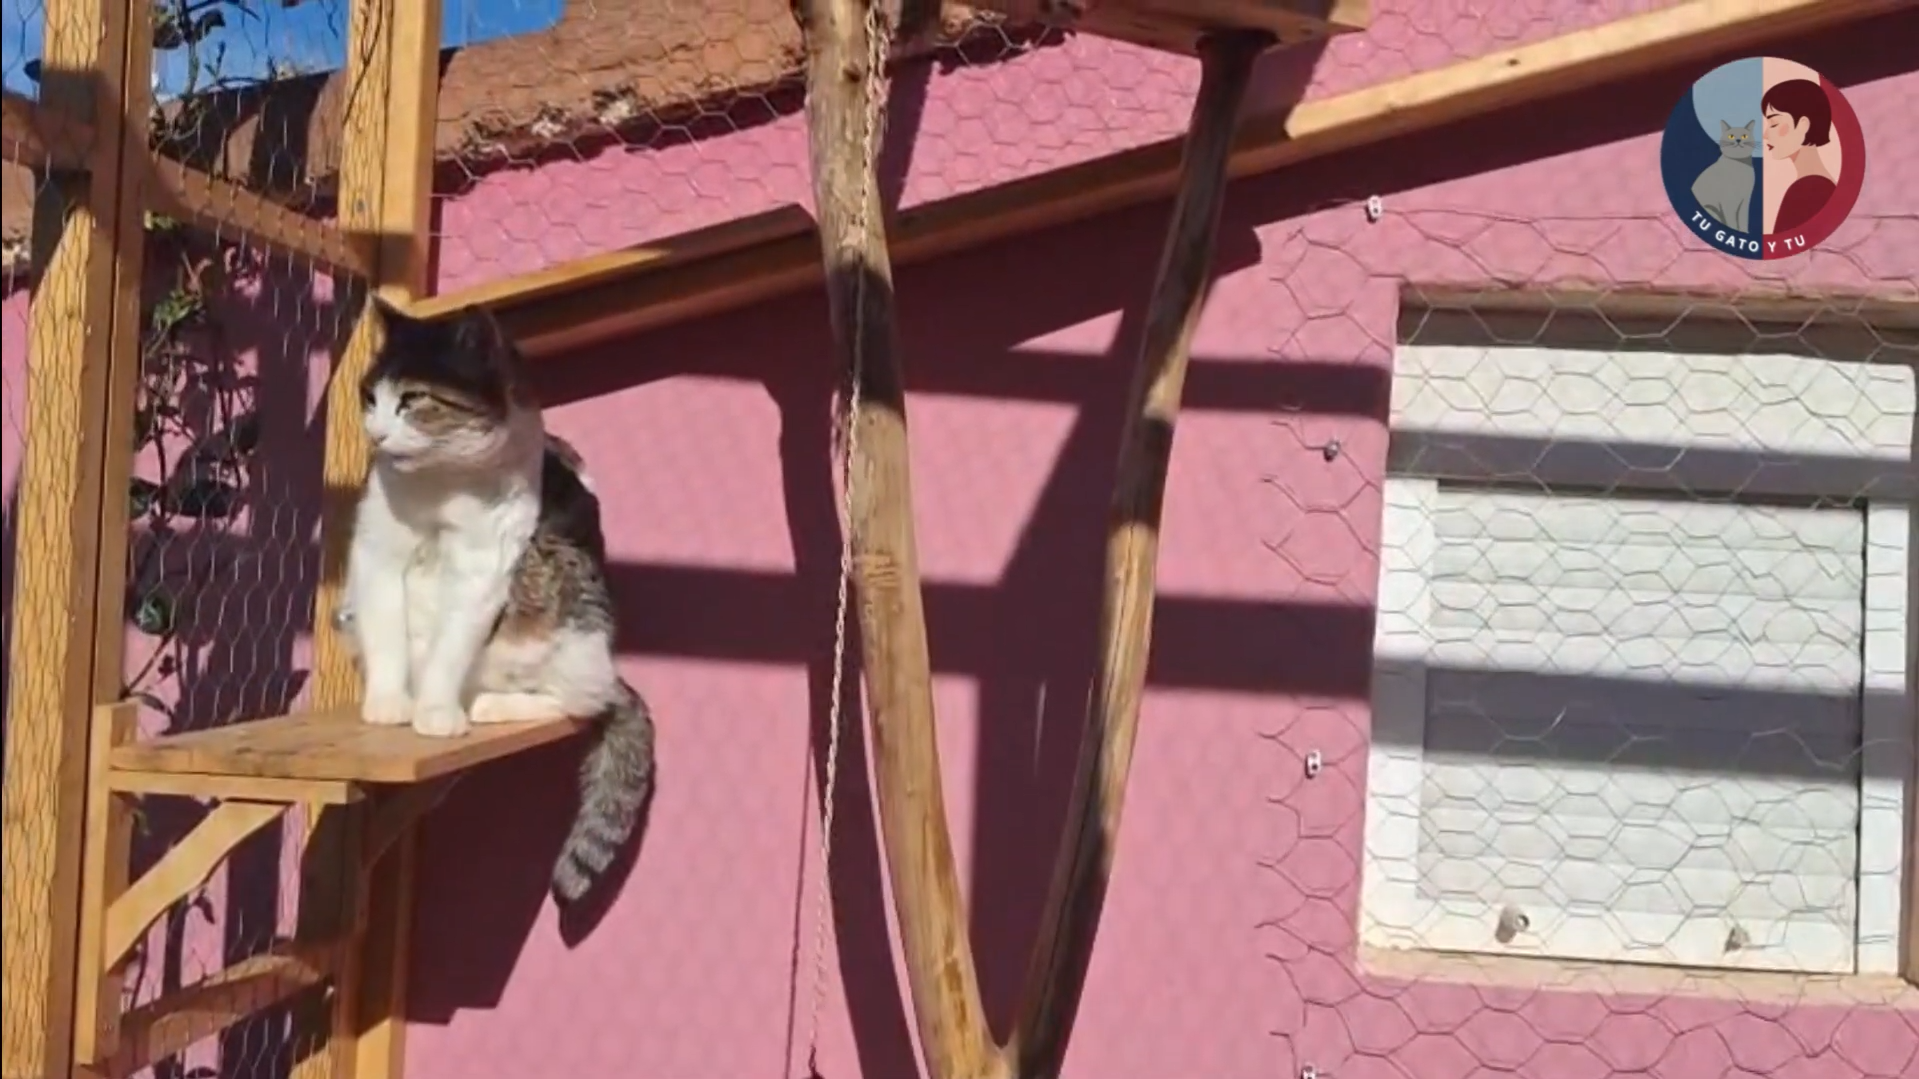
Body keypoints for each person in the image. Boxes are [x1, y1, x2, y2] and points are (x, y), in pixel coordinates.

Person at [1760, 78, 1837, 235]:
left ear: (1803, 125)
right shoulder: (1818, 186)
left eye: (1774, 124)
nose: (1766, 134)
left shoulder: (1808, 189)